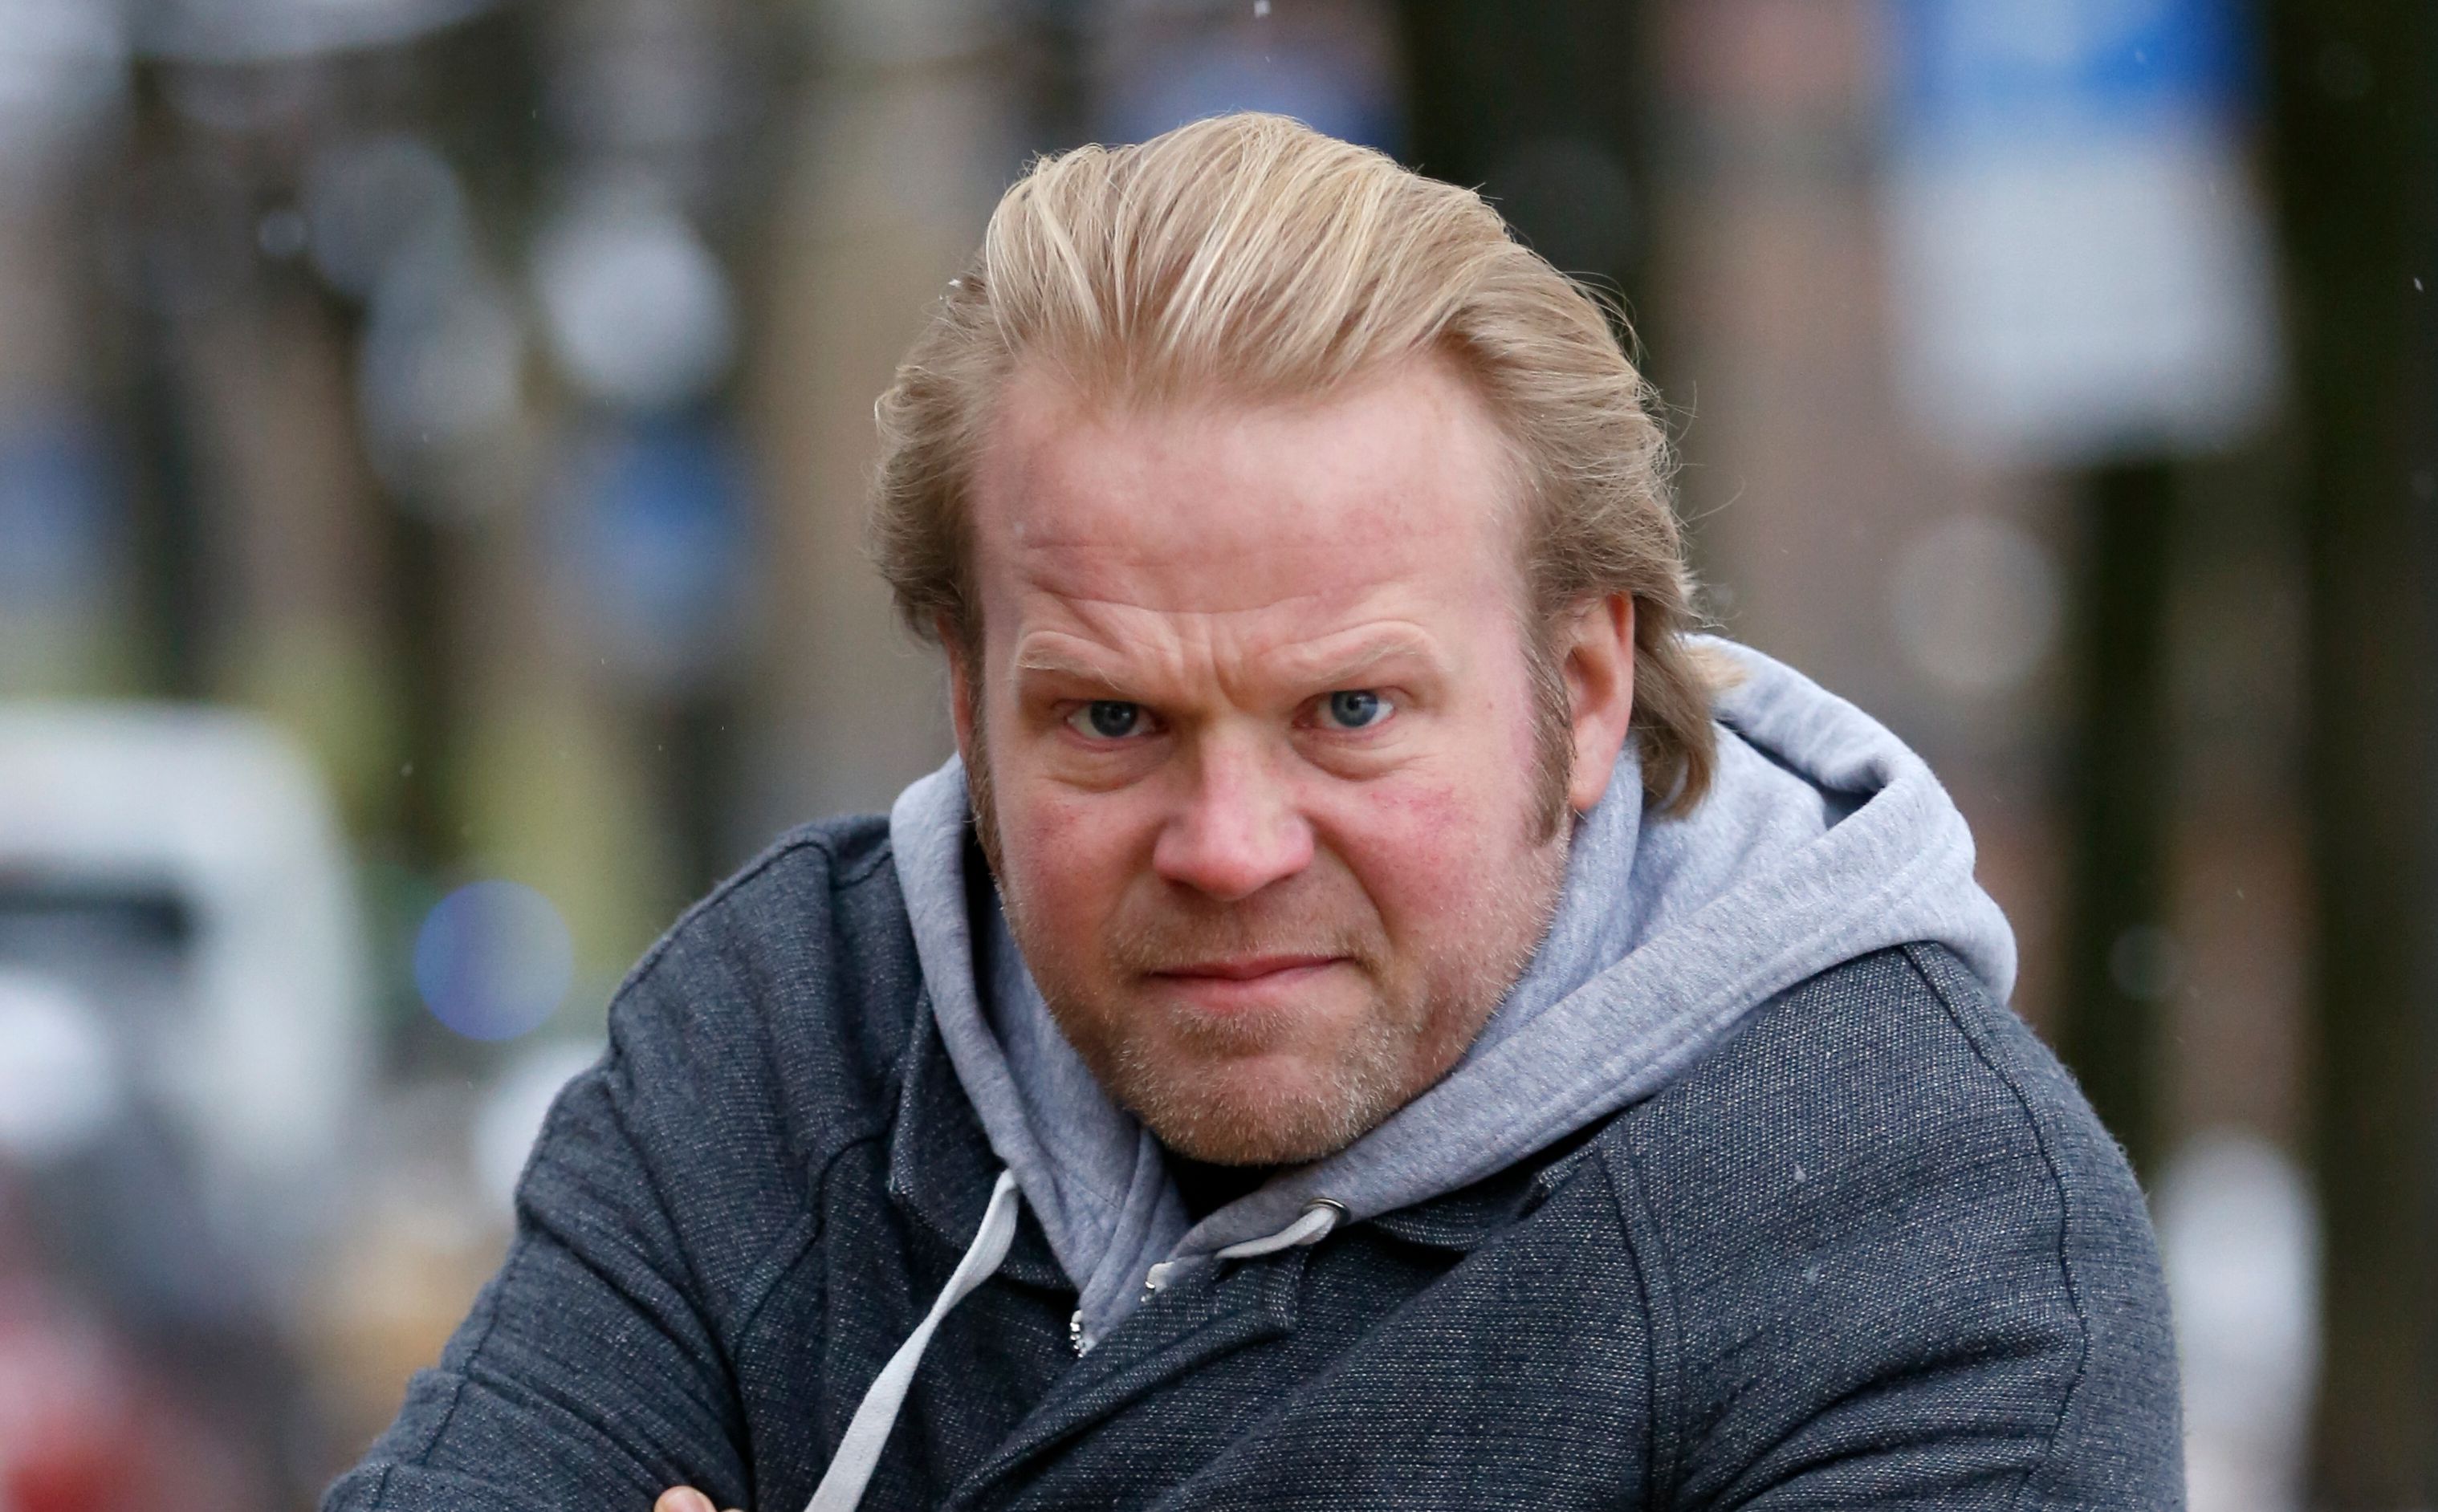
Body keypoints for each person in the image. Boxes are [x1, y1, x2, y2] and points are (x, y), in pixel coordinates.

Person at [324, 112, 2181, 1512]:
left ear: (1584, 692)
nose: (1227, 847)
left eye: (1348, 713)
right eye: (1110, 719)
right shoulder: (791, 1037)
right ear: (967, 704)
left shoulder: (1922, 1236)